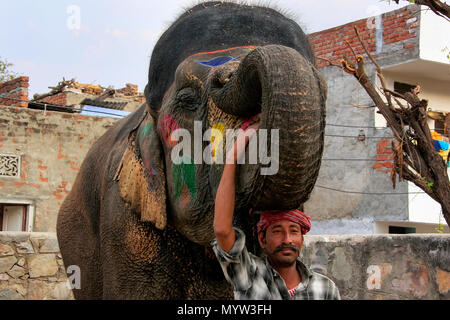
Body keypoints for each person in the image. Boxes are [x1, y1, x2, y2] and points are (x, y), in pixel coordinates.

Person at [211, 122, 341, 300]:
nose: (287, 240)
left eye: (294, 231)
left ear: (302, 239)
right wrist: (233, 156)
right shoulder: (250, 275)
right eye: (277, 231)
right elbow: (222, 229)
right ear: (262, 239)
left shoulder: (326, 289)